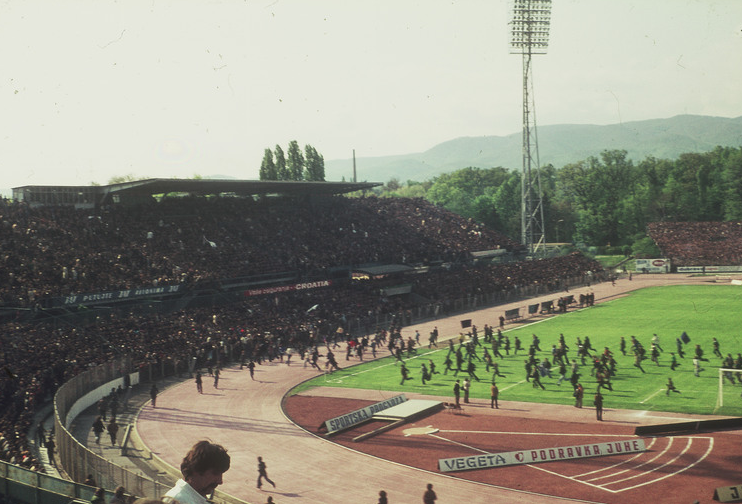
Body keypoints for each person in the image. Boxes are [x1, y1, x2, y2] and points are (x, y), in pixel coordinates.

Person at [164, 440, 231, 504]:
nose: (220, 481)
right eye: (215, 473)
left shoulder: (195, 498)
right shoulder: (177, 500)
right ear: (196, 470)